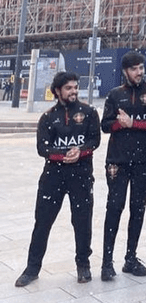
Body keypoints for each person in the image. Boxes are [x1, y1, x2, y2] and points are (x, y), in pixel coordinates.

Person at [15, 72, 101, 287]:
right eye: (68, 88)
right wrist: (63, 156)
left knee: (82, 221)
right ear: (57, 91)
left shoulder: (89, 112)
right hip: (53, 176)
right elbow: (42, 148)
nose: (73, 91)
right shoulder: (48, 117)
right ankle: (32, 268)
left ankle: (83, 265)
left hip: (81, 175)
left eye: (75, 87)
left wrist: (80, 152)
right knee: (42, 222)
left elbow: (95, 139)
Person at [100, 51, 146, 281]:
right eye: (134, 68)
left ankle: (131, 257)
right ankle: (107, 262)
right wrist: (119, 123)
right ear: (125, 71)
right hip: (118, 159)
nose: (139, 72)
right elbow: (104, 126)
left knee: (138, 208)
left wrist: (134, 123)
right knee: (115, 207)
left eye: (141, 67)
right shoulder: (115, 94)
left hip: (144, 159)